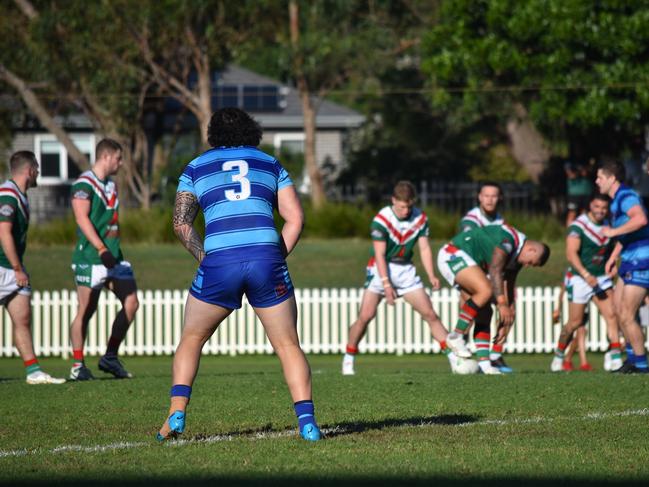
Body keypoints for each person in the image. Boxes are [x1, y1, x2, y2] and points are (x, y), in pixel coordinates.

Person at [157, 107, 321, 442]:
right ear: (251, 130)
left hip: (219, 260)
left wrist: (205, 258)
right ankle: (307, 423)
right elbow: (295, 219)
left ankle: (176, 413)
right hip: (266, 258)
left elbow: (181, 223)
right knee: (288, 344)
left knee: (192, 338)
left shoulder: (196, 167)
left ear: (212, 135)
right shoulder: (270, 163)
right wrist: (274, 256)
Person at [341, 181, 471, 376]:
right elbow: (379, 254)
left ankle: (454, 360)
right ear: (393, 201)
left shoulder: (420, 218)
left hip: (405, 271)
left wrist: (431, 275)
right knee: (366, 316)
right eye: (402, 207)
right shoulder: (381, 220)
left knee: (430, 314)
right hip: (381, 268)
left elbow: (424, 248)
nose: (405, 211)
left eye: (409, 206)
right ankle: (348, 359)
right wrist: (386, 284)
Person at [68, 139, 139, 380]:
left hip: (114, 256)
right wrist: (100, 249)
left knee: (131, 303)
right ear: (106, 157)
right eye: (119, 158)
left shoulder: (111, 184)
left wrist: (111, 250)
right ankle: (78, 365)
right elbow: (81, 218)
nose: (121, 163)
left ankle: (109, 357)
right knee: (86, 310)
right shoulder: (84, 184)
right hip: (91, 256)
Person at [437, 224, 550, 373]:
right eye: (531, 262)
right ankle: (455, 336)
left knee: (485, 313)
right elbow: (495, 269)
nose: (527, 266)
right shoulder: (509, 241)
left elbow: (508, 283)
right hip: (453, 253)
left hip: (469, 262)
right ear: (531, 250)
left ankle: (485, 365)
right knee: (486, 290)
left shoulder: (517, 257)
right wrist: (502, 304)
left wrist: (509, 313)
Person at [0, 151, 65, 384]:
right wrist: (17, 268)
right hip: (4, 267)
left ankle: (33, 371)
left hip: (12, 267)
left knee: (22, 317)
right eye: (37, 168)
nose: (38, 172)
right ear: (30, 170)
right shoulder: (8, 194)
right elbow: (3, 231)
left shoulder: (20, 194)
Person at [550, 194, 621, 372]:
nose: (600, 211)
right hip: (580, 279)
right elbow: (571, 254)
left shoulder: (610, 224)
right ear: (591, 206)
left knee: (612, 315)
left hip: (602, 279)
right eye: (597, 207)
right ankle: (559, 354)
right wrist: (585, 274)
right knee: (574, 322)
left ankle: (614, 357)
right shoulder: (578, 226)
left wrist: (613, 265)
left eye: (604, 208)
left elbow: (614, 250)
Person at [597, 159, 649, 373]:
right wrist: (613, 257)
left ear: (612, 179)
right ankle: (631, 361)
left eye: (600, 177)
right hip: (629, 258)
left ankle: (642, 365)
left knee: (628, 314)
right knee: (618, 311)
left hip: (642, 259)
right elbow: (628, 231)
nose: (596, 181)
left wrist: (612, 232)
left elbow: (640, 220)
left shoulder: (627, 196)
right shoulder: (616, 200)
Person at [458, 181, 513, 373]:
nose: (490, 199)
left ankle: (493, 356)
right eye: (486, 195)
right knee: (474, 315)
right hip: (471, 272)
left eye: (494, 196)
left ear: (499, 198)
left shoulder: (501, 222)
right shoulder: (470, 221)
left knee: (504, 309)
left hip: (493, 274)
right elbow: (469, 250)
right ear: (479, 197)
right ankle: (461, 356)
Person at [565, 162, 593, 226]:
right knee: (572, 213)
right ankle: (569, 233)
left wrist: (583, 170)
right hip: (574, 195)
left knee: (584, 214)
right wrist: (578, 171)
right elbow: (571, 175)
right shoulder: (571, 165)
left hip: (587, 194)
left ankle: (581, 231)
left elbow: (586, 173)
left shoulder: (585, 165)